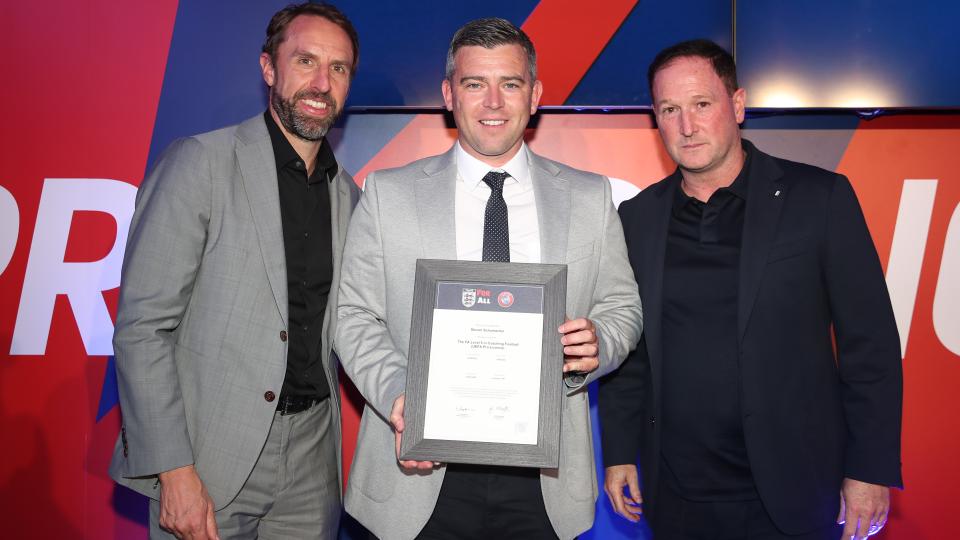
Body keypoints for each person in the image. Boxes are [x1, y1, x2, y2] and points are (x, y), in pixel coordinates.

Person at [335, 17, 642, 540]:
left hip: (545, 480)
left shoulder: (590, 198)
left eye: (511, 84)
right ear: (449, 95)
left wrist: (600, 342)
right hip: (419, 477)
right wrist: (399, 400)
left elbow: (621, 305)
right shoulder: (388, 193)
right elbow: (353, 315)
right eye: (476, 84)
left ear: (536, 94)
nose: (494, 102)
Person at [599, 39, 903, 540]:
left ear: (737, 104)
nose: (686, 126)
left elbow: (869, 346)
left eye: (702, 104)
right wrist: (618, 454)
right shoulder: (637, 217)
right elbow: (633, 352)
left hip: (793, 489)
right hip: (675, 494)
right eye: (669, 110)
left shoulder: (819, 200)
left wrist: (869, 468)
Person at [108, 3, 361, 538]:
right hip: (209, 457)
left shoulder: (350, 196)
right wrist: (172, 469)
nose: (321, 82)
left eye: (338, 68)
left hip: (314, 464)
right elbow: (143, 327)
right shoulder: (201, 162)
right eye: (306, 61)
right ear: (269, 68)